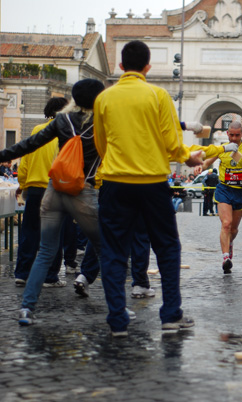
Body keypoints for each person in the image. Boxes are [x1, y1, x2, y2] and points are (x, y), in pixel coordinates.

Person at [93, 40, 224, 335]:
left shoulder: (105, 98)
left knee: (113, 251)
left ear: (121, 66)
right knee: (166, 246)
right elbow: (170, 140)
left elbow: (101, 143)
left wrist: (116, 161)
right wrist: (185, 158)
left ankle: (117, 320)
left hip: (115, 181)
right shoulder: (158, 95)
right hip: (152, 183)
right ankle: (170, 314)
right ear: (148, 68)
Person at [0, 79, 106, 326]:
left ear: (74, 99)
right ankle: (118, 310)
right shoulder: (103, 124)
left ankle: (27, 309)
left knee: (46, 251)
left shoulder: (62, 121)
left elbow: (27, 145)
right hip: (84, 192)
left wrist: (2, 156)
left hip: (54, 191)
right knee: (106, 249)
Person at [14, 97, 69, 288]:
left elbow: (25, 162)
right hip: (56, 189)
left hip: (35, 188)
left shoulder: (37, 130)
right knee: (54, 234)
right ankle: (50, 277)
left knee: (29, 232)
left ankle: (22, 273)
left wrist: (22, 184)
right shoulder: (67, 132)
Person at [202, 121, 242, 273]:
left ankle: (229, 244)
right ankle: (226, 257)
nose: (234, 138)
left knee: (234, 229)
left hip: (240, 192)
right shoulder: (222, 148)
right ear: (227, 133)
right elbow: (207, 162)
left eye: (237, 135)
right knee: (226, 223)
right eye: (231, 135)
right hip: (224, 189)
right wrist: (200, 166)